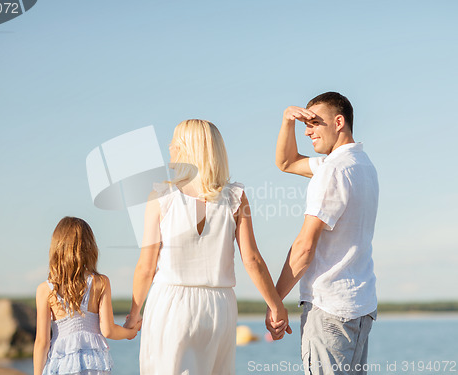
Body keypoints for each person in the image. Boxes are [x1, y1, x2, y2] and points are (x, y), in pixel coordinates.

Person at [124, 119, 290, 375]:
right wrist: (276, 305)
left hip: (171, 304)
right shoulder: (236, 196)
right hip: (220, 306)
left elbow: (146, 267)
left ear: (187, 148)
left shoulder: (160, 196)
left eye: (175, 141)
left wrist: (134, 314)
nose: (169, 146)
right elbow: (252, 260)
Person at [268, 92, 378, 375]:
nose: (308, 132)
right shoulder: (362, 165)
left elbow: (305, 247)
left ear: (339, 122)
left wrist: (275, 301)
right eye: (306, 124)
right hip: (359, 306)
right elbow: (287, 163)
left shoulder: (333, 170)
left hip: (330, 308)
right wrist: (287, 121)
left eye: (314, 123)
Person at [33, 216, 141, 375]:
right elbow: (109, 331)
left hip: (62, 365)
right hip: (94, 366)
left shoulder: (45, 289)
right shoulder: (100, 282)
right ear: (89, 247)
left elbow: (42, 342)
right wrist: (130, 332)